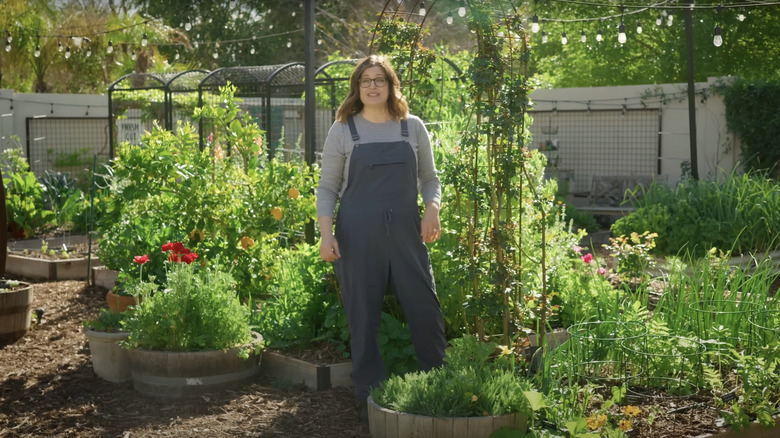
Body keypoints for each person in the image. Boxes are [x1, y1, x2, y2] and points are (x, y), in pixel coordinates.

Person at [316, 54, 447, 422]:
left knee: (424, 307)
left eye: (380, 80)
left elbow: (430, 178)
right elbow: (327, 187)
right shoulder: (344, 129)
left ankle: (437, 384)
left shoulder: (412, 127)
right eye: (365, 81)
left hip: (407, 231)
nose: (372, 86)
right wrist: (327, 235)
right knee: (363, 313)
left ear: (391, 86)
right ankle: (369, 395)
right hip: (357, 233)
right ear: (357, 88)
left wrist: (432, 208)